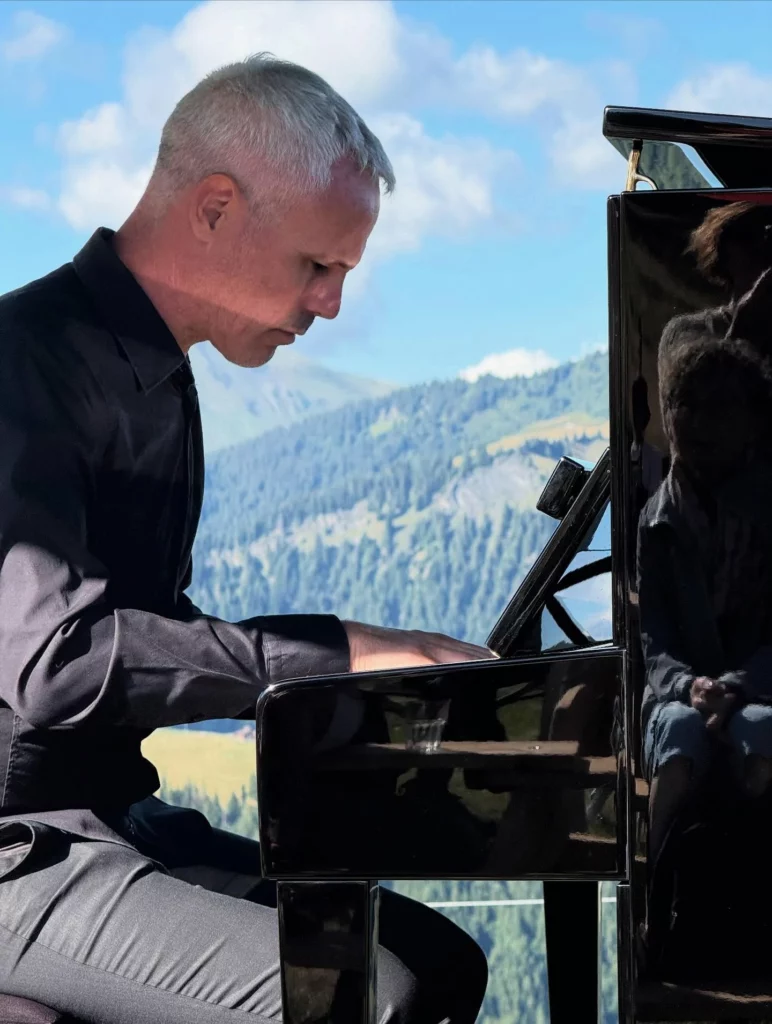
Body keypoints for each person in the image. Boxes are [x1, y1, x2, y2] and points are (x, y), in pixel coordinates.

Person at [0, 55, 491, 1023]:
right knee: (365, 996)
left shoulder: (163, 379)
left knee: (436, 961)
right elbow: (58, 661)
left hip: (112, 819)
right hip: (19, 849)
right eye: (318, 266)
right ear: (215, 207)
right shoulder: (23, 364)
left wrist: (350, 678)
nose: (332, 304)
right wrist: (330, 651)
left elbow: (157, 635)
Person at [638, 329, 772, 864]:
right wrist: (687, 686)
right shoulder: (658, 519)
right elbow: (653, 637)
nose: (697, 422)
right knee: (677, 737)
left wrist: (737, 687)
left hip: (759, 689)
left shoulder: (766, 514)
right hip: (680, 695)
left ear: (749, 423)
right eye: (684, 406)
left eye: (717, 408)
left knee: (762, 735)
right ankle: (659, 891)